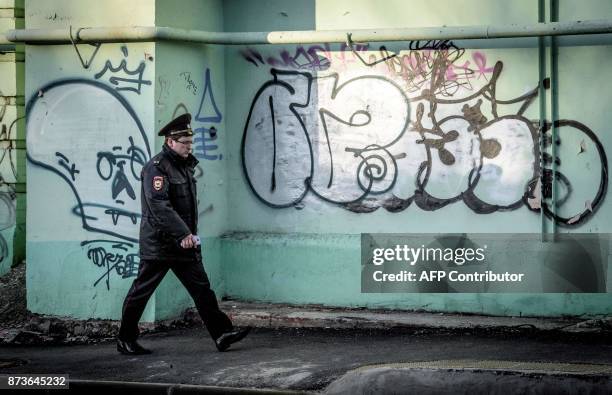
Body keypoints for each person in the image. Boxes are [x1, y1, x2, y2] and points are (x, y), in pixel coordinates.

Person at [117, 113, 250, 355]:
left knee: (202, 289)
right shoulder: (155, 169)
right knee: (141, 292)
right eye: (184, 143)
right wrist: (182, 233)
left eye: (190, 142)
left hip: (184, 244)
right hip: (160, 245)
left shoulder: (184, 167)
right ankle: (125, 338)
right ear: (170, 142)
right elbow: (159, 205)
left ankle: (221, 334)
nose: (189, 147)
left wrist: (187, 237)